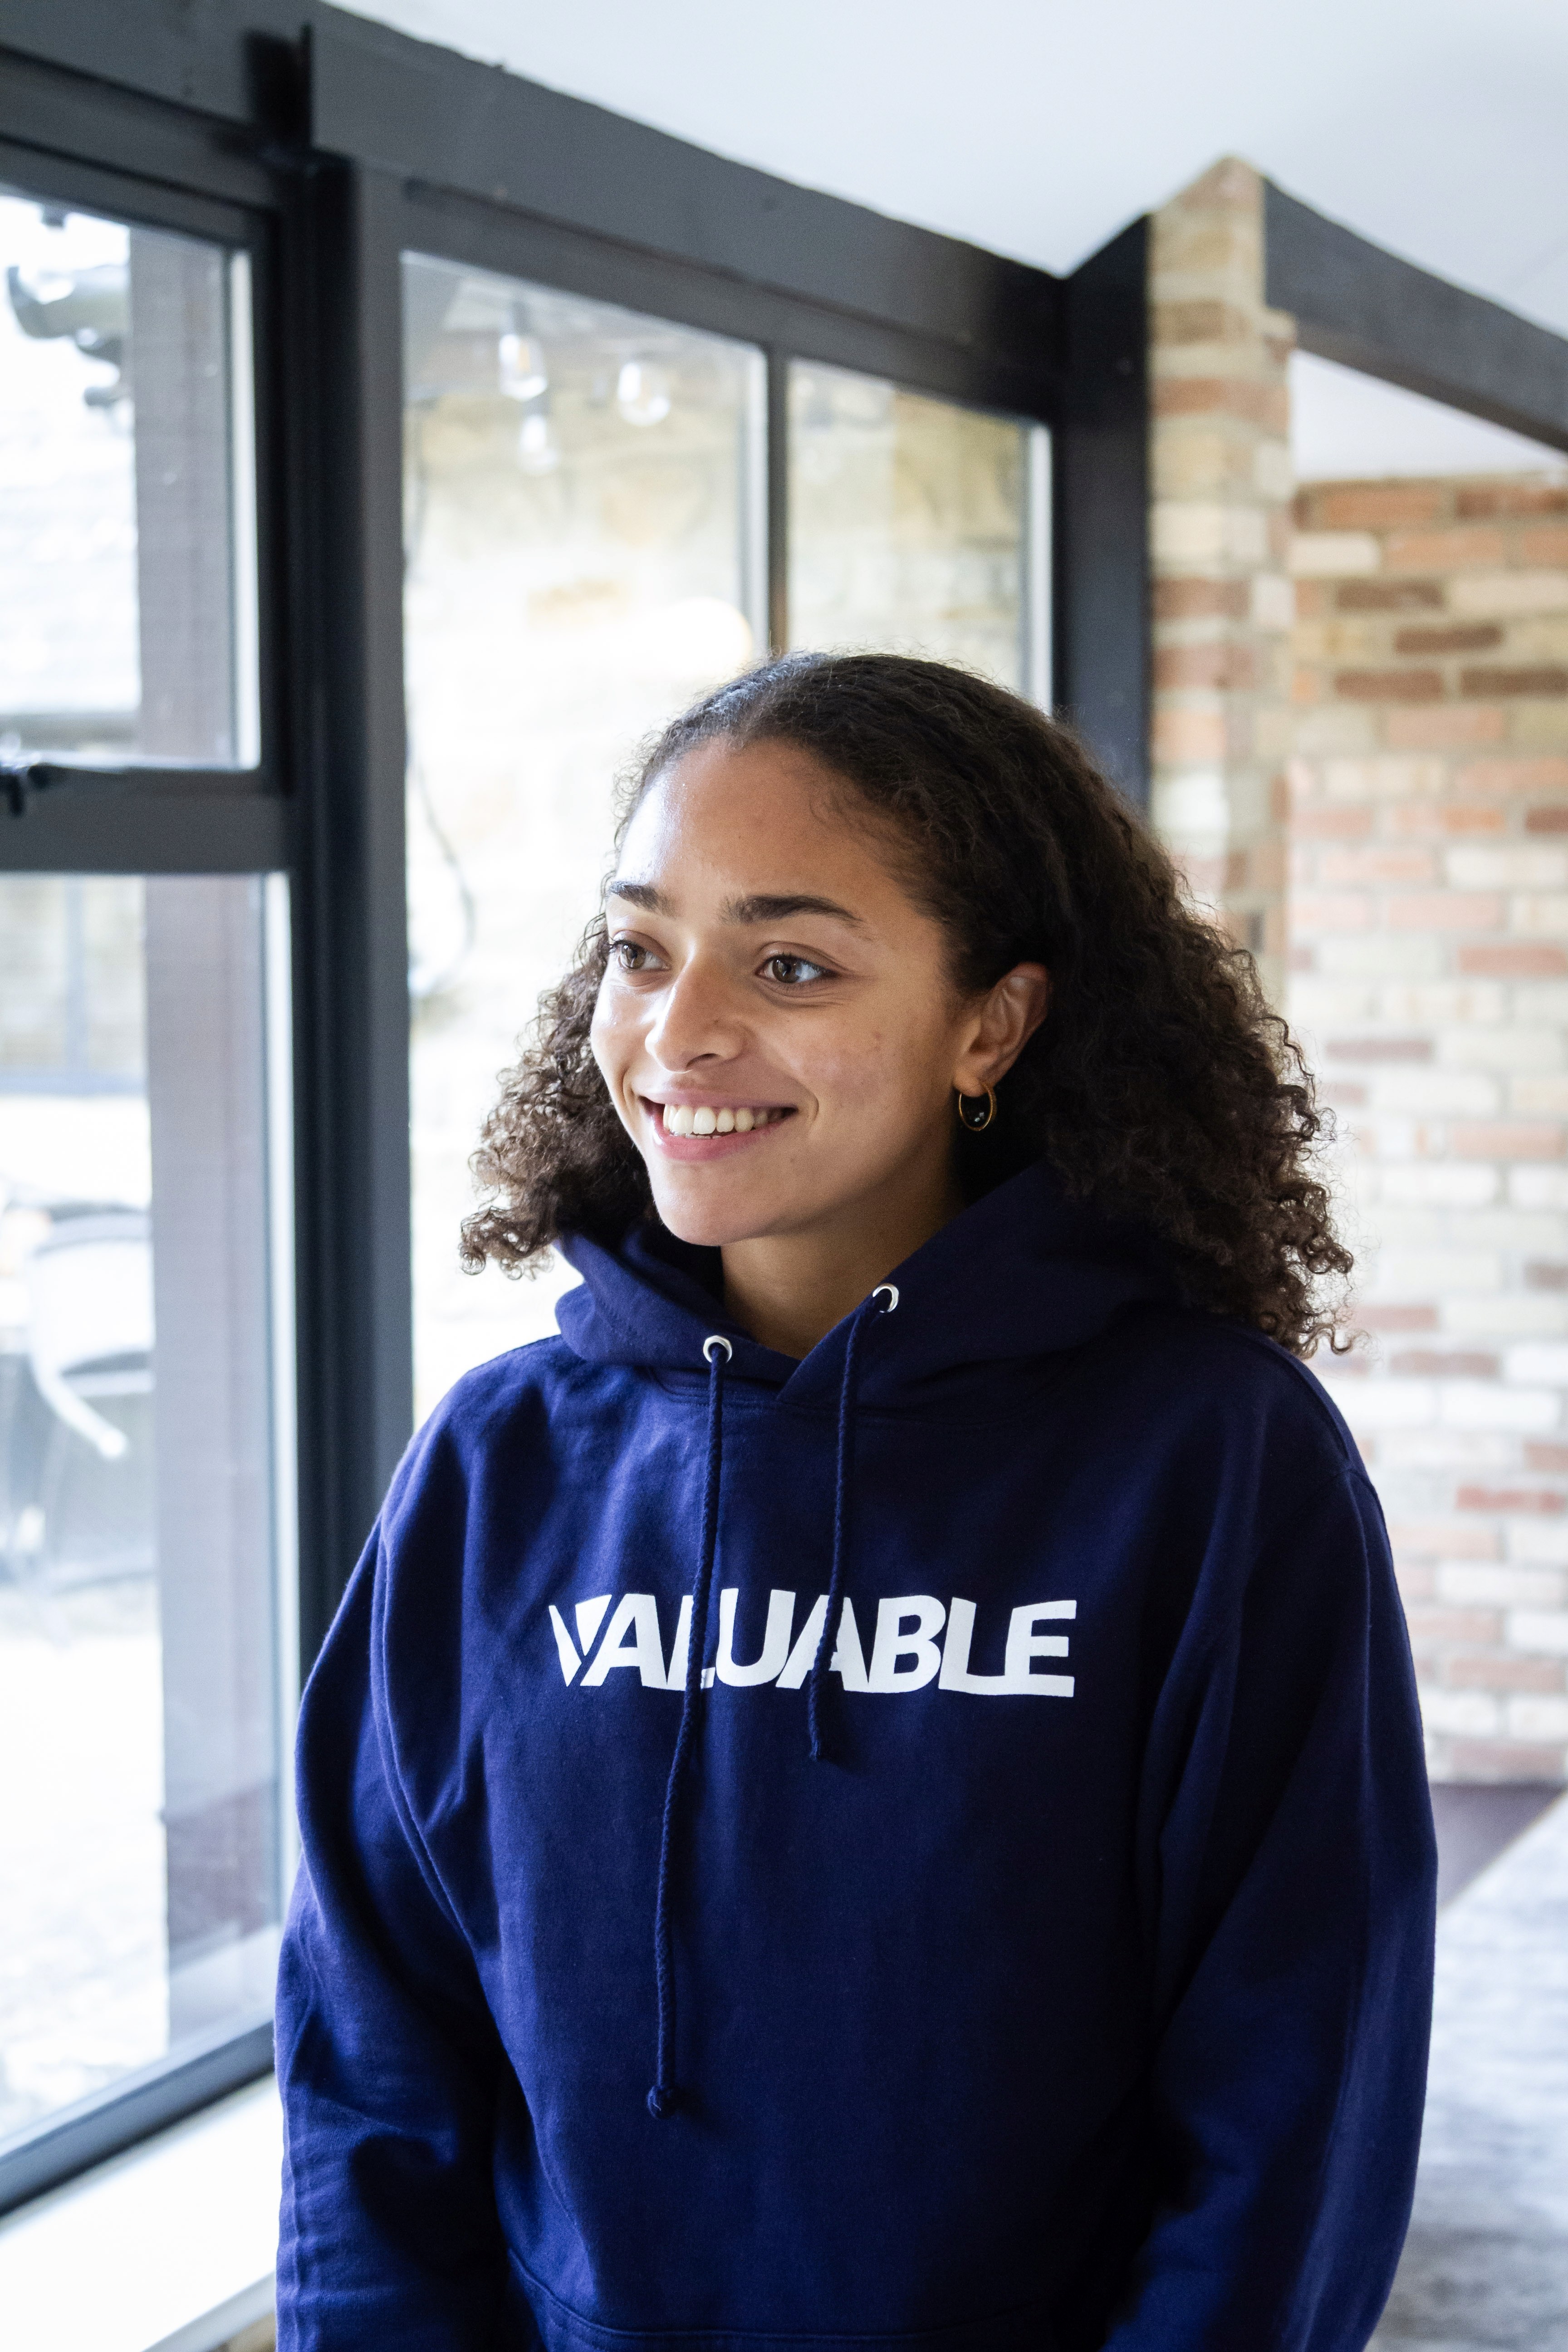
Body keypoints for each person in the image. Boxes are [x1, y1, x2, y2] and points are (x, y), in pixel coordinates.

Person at [275, 653, 1436, 2352]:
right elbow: (372, 2055)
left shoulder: (1215, 1461)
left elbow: (1295, 2093)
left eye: (792, 964)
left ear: (992, 1024)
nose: (678, 1033)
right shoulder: (499, 1461)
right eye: (639, 949)